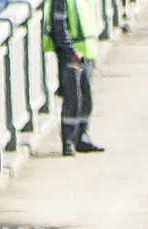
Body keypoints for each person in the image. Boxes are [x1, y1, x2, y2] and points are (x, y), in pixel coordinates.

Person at [50, 0, 105, 155]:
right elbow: (59, 28)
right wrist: (71, 52)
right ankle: (69, 142)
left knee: (86, 97)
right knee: (73, 98)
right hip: (71, 56)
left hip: (86, 53)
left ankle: (82, 137)